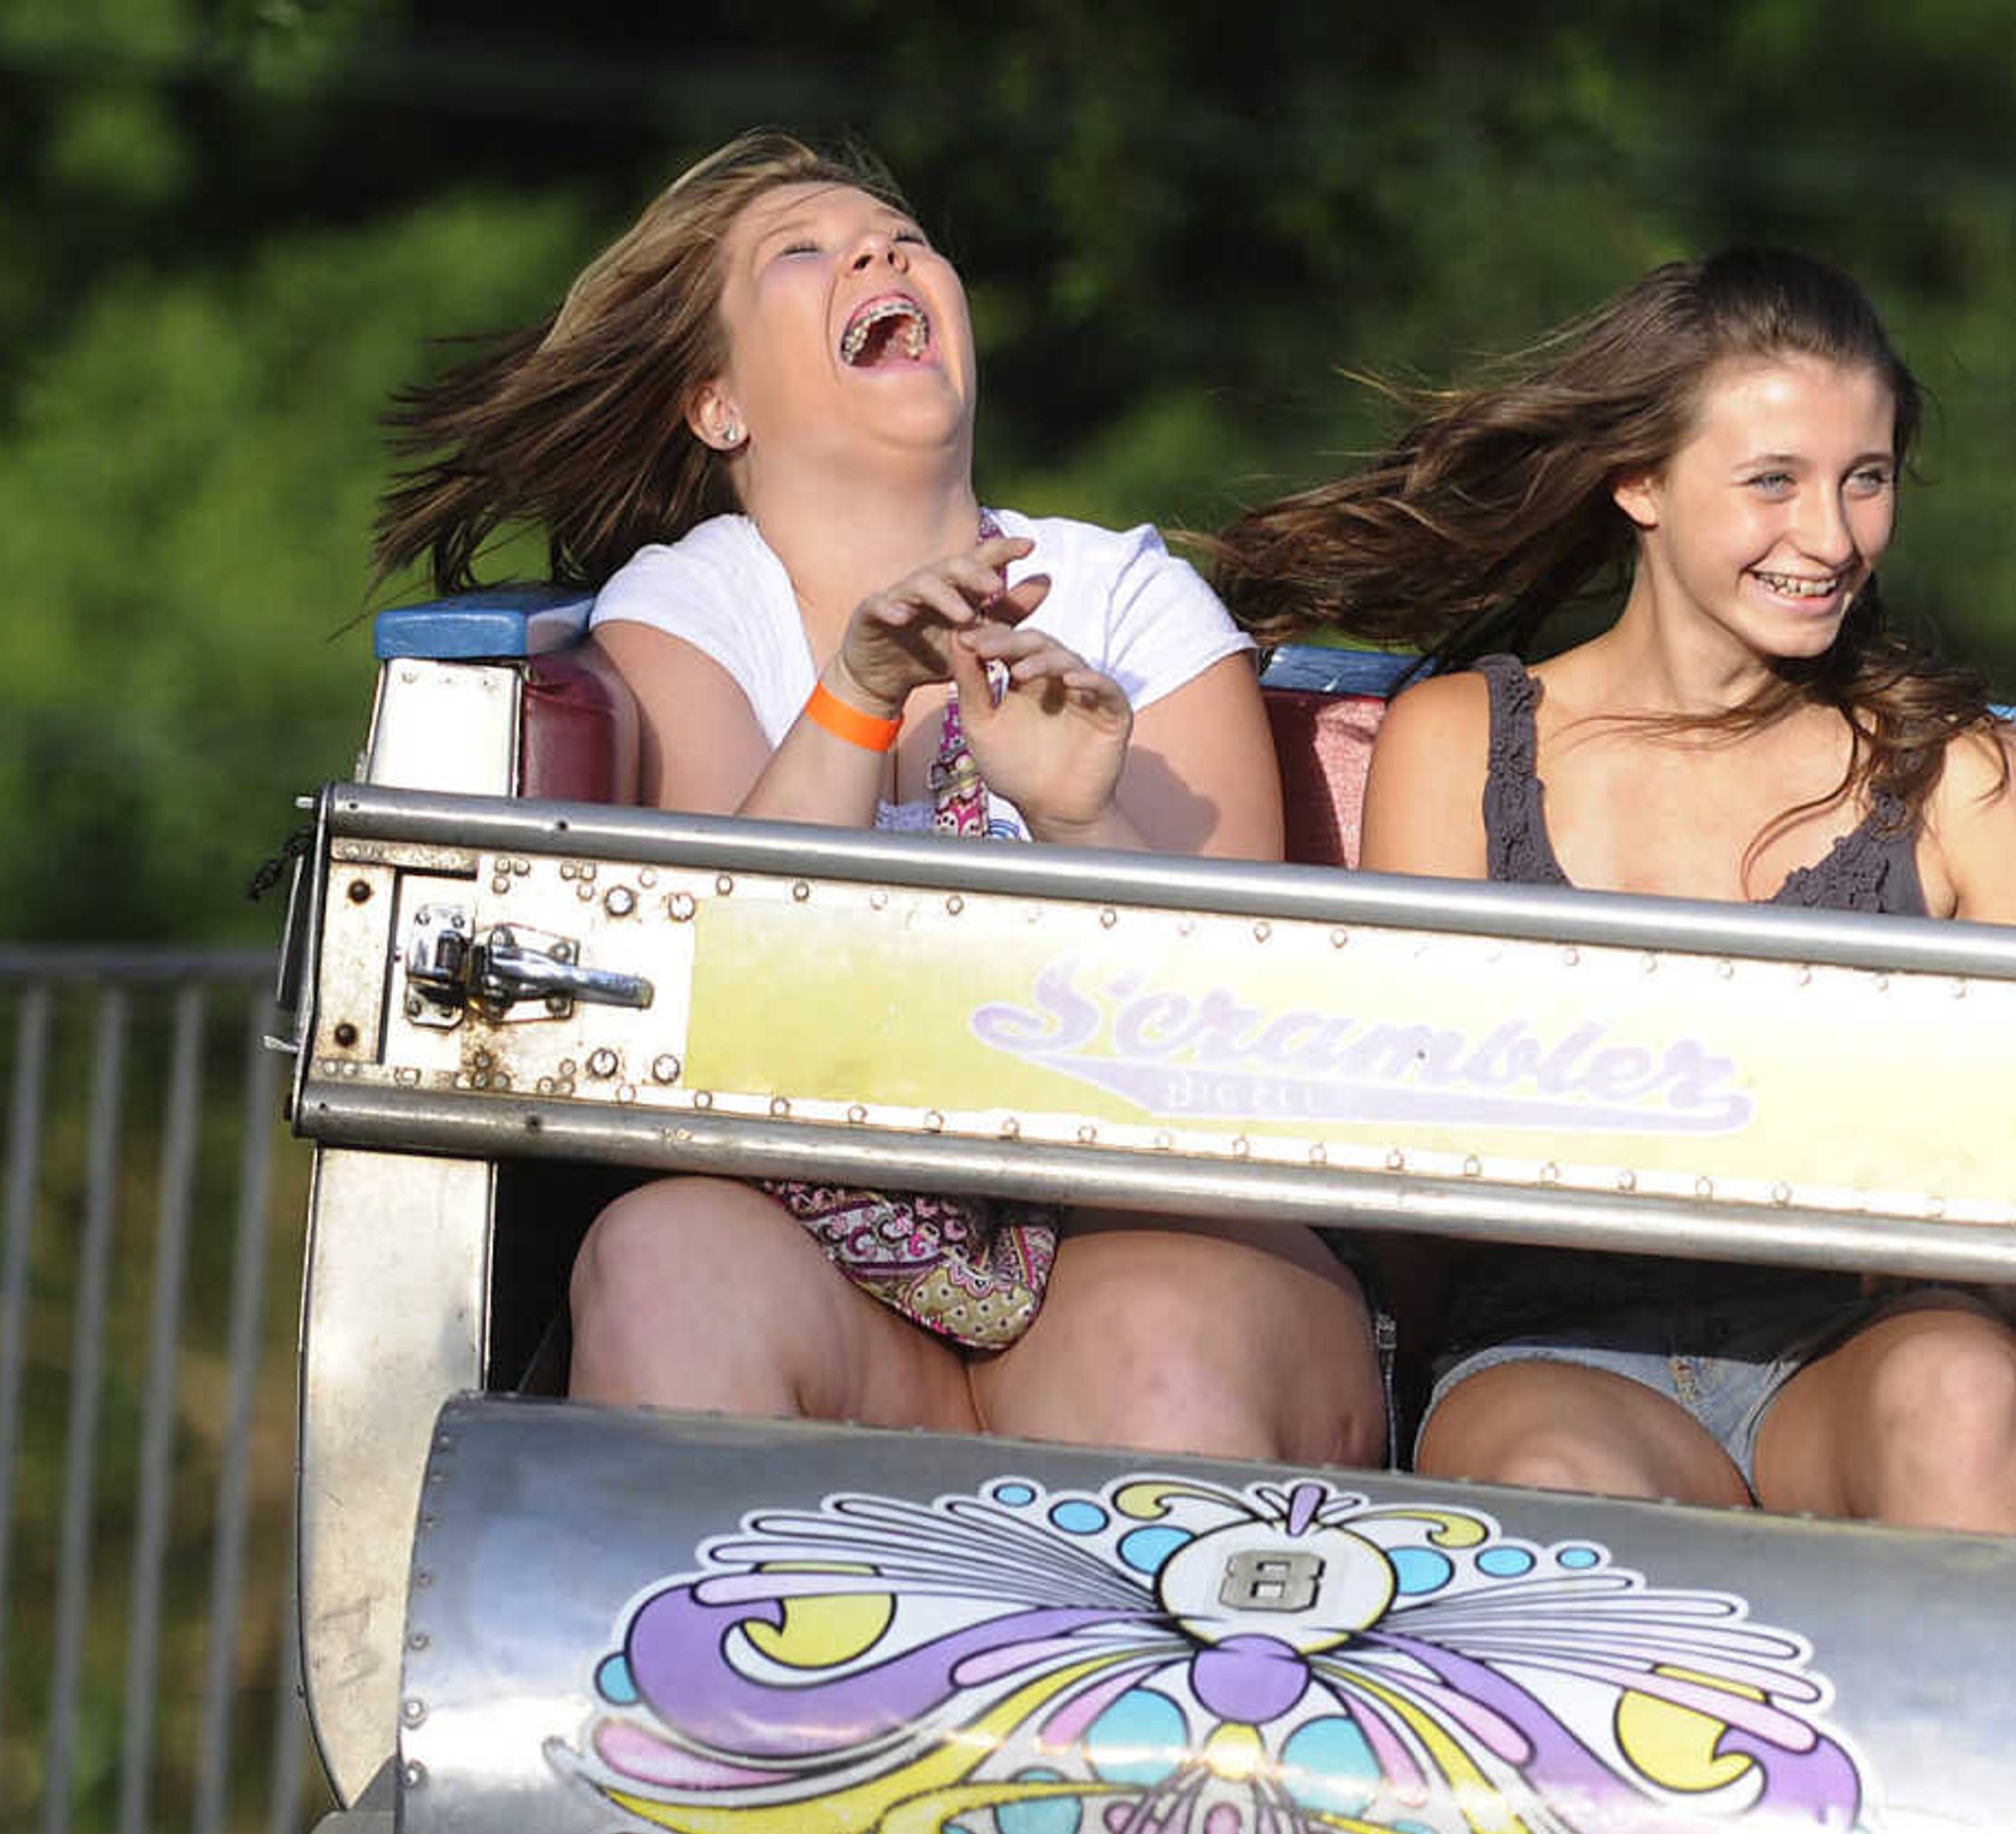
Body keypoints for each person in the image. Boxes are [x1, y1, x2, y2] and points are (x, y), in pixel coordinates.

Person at [371, 132, 1380, 1465]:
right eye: (804, 249)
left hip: (1122, 1235)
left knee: (1164, 1345)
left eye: (900, 234)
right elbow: (715, 1014)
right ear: (717, 402)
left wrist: (1081, 815)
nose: (880, 251)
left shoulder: (1130, 597)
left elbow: (1231, 1047)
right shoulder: (691, 609)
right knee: (663, 1259)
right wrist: (851, 696)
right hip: (814, 1264)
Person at [1208, 249, 2016, 1534]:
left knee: (1961, 1387)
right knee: (1564, 1486)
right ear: (1641, 480)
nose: (1832, 538)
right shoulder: (1464, 740)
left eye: (1867, 480)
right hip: (1553, 1345)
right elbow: (1402, 1136)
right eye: (1772, 483)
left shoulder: (1957, 775)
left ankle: (1979, 1722)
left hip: (1837, 1343)